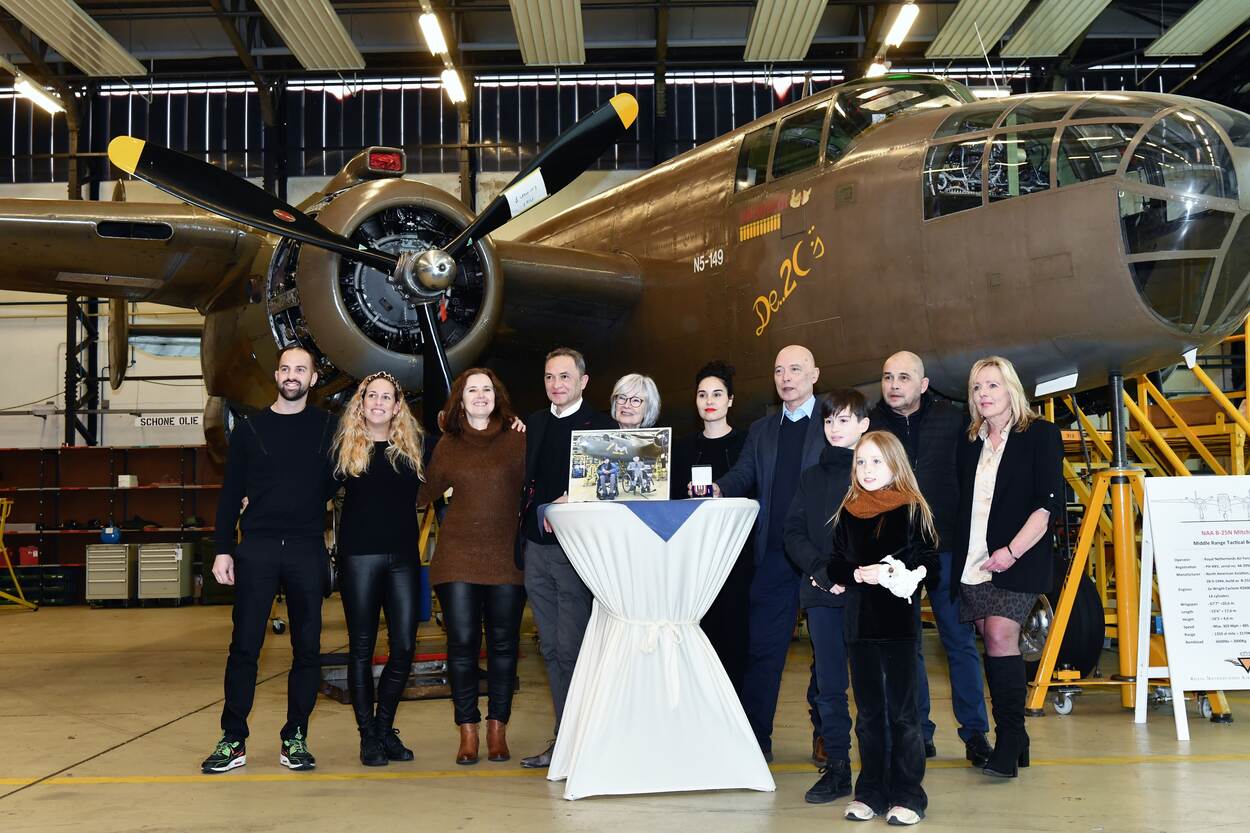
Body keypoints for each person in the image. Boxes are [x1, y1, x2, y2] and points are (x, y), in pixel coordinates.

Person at [201, 345, 339, 774]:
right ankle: (233, 739)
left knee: (307, 649)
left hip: (306, 548)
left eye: (301, 369)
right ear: (276, 376)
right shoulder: (249, 431)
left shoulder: (330, 429)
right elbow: (230, 494)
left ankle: (295, 737)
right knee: (244, 646)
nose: (292, 375)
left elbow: (347, 474)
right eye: (285, 369)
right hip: (257, 548)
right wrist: (223, 548)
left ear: (313, 379)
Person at [870, 351, 991, 765]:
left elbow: (973, 479)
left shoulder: (953, 421)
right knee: (907, 645)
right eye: (888, 377)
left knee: (959, 641)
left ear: (923, 385)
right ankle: (917, 733)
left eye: (904, 377)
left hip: (946, 546)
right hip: (895, 552)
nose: (894, 385)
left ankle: (975, 734)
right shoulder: (872, 426)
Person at [711, 345, 827, 762]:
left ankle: (826, 737)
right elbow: (745, 473)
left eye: (795, 369)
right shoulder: (762, 429)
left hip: (821, 558)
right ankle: (755, 740)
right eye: (779, 370)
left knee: (826, 655)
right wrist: (718, 488)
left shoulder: (833, 420)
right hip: (774, 556)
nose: (786, 378)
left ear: (814, 374)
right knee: (763, 652)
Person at [818, 431, 938, 825]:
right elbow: (835, 564)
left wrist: (894, 573)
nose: (867, 470)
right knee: (868, 715)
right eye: (861, 462)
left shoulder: (912, 509)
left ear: (895, 465)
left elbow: (931, 565)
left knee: (903, 714)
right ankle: (870, 791)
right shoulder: (849, 510)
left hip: (899, 628)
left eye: (876, 462)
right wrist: (855, 573)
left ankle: (909, 795)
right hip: (859, 627)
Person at [951, 356, 1062, 779]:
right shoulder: (970, 441)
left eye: (993, 385)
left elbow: (1046, 507)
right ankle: (1019, 740)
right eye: (977, 388)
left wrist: (1011, 552)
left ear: (1011, 388)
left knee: (1000, 634)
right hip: (975, 560)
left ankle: (1010, 739)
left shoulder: (1040, 435)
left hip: (1020, 555)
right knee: (992, 641)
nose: (984, 394)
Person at [419, 369, 527, 765]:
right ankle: (468, 730)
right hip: (457, 559)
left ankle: (498, 728)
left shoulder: (519, 439)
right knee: (462, 645)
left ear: (497, 397)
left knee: (503, 646)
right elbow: (422, 492)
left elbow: (538, 486)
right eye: (472, 390)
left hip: (506, 559)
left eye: (486, 389)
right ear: (460, 400)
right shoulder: (448, 445)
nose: (480, 395)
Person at [517, 347, 616, 768]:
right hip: (537, 549)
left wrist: (574, 497)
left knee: (571, 648)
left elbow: (610, 485)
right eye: (549, 377)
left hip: (575, 553)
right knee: (551, 650)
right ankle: (565, 739)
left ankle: (582, 741)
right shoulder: (536, 423)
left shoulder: (602, 427)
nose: (556, 384)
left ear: (583, 381)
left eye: (564, 377)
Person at [330, 371, 425, 767]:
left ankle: (384, 728)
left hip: (403, 558)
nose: (379, 402)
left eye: (387, 397)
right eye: (373, 396)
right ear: (361, 402)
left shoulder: (414, 448)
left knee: (403, 647)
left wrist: (510, 422)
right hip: (360, 559)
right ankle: (367, 735)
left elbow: (464, 438)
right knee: (361, 649)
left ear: (398, 406)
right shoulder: (344, 449)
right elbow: (307, 486)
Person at [783, 389, 869, 803]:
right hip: (821, 593)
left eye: (845, 419)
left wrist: (855, 574)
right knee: (830, 686)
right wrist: (822, 572)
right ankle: (837, 767)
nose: (835, 427)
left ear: (864, 425)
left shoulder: (877, 472)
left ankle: (878, 769)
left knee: (871, 686)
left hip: (868, 595)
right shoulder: (811, 477)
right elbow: (793, 533)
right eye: (830, 420)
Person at [669, 361, 750, 692]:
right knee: (696, 642)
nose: (709, 401)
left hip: (736, 560)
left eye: (717, 394)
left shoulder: (747, 444)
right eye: (702, 394)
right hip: (694, 561)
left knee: (734, 642)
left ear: (730, 400)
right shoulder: (682, 448)